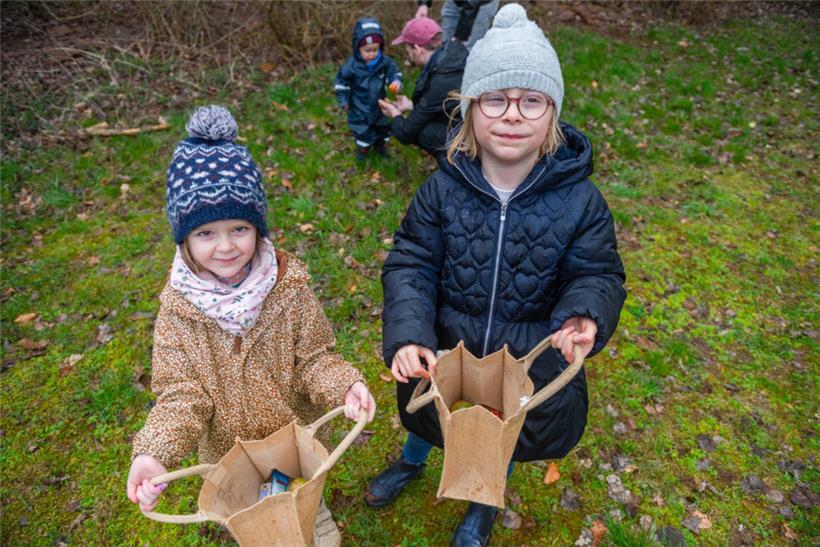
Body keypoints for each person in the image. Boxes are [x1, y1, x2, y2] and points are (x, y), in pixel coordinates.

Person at [365, 5, 626, 546]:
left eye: (530, 100)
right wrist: (410, 332)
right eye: (495, 99)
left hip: (524, 358)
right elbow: (411, 261)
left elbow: (597, 271)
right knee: (431, 417)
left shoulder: (581, 202)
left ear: (551, 112)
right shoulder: (443, 189)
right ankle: (413, 462)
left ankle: (482, 501)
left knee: (495, 435)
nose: (512, 115)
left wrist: (584, 313)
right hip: (445, 348)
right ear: (469, 110)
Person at [125, 105, 376, 543]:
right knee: (253, 510)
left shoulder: (289, 286)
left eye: (240, 228)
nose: (225, 247)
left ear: (258, 227)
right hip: (229, 450)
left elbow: (315, 356)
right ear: (183, 236)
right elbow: (181, 393)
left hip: (291, 436)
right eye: (206, 233)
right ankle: (259, 527)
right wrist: (155, 453)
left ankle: (309, 510)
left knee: (298, 492)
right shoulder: (178, 309)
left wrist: (344, 386)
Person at [377, 16, 467, 158]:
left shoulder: (440, 80)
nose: (409, 55)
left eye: (408, 50)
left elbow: (405, 134)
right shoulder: (453, 54)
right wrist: (412, 105)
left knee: (421, 132)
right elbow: (440, 104)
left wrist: (394, 113)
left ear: (418, 49)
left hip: (473, 140)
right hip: (471, 126)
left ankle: (460, 165)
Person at [334, 17, 403, 161]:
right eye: (367, 50)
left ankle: (381, 146)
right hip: (359, 106)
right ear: (357, 48)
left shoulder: (384, 62)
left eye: (375, 50)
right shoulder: (351, 66)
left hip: (379, 105)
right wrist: (344, 101)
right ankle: (363, 149)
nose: (371, 54)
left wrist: (395, 81)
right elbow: (341, 83)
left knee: (382, 128)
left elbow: (394, 72)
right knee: (362, 130)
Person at [415, 0, 499, 49]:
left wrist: (460, 36)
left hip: (480, 5)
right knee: (445, 48)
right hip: (455, 2)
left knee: (467, 52)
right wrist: (424, 4)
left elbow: (472, 4)